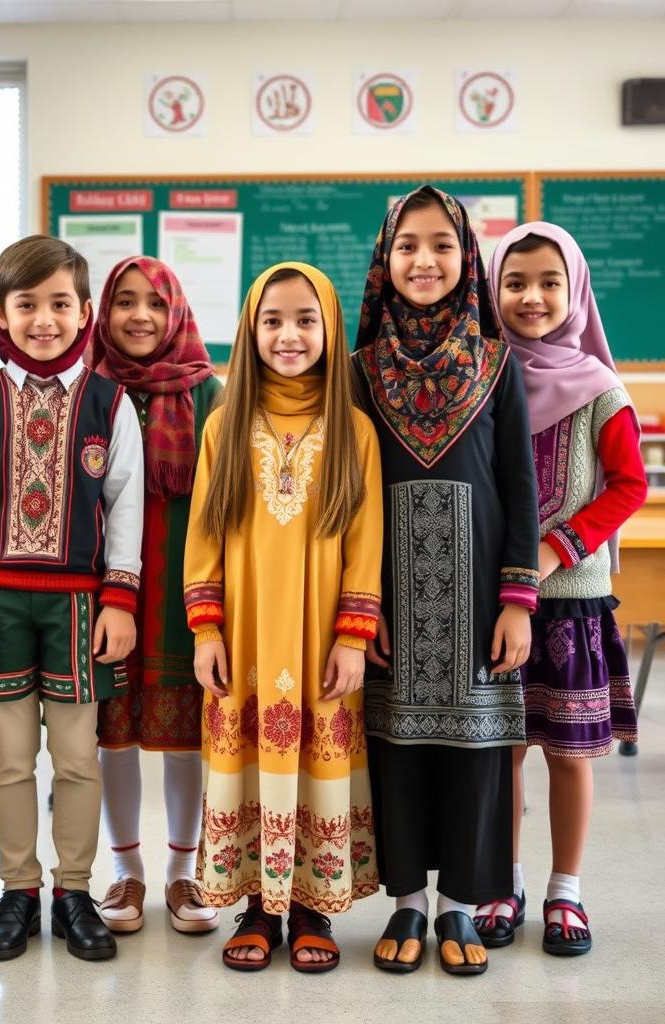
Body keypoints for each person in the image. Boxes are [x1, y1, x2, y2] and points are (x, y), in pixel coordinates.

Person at [352, 187, 539, 976]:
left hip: (476, 595)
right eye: (407, 246)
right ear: (383, 260)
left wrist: (518, 599)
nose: (424, 260)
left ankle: (460, 901)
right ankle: (406, 902)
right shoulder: (359, 369)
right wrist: (356, 608)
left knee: (475, 747)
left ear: (469, 259)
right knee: (395, 741)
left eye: (442, 245)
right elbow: (348, 495)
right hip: (389, 591)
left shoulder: (498, 363)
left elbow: (522, 486)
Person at [0, 235, 144, 962]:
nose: (45, 319)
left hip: (81, 608)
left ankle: (75, 891)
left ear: (85, 312)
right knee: (10, 756)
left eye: (60, 303)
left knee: (79, 757)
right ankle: (18, 889)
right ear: (1, 314)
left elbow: (125, 506)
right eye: (27, 305)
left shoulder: (108, 402)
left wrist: (120, 598)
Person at [183, 262, 383, 972]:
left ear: (331, 329)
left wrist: (354, 637)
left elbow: (366, 544)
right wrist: (206, 627)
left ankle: (310, 908)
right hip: (245, 639)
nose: (289, 334)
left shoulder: (354, 430)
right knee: (246, 763)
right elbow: (203, 538)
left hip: (321, 636)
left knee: (312, 764)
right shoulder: (224, 426)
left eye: (306, 320)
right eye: (272, 321)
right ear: (249, 329)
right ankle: (258, 908)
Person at [472, 222, 646, 957]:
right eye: (514, 283)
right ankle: (503, 882)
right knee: (503, 748)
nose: (532, 297)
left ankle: (565, 892)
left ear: (574, 289)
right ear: (491, 290)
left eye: (549, 283)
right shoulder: (480, 376)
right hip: (494, 600)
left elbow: (628, 485)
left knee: (570, 753)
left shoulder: (600, 387)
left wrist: (556, 547)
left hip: (571, 598)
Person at [89, 256, 221, 935]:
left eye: (155, 303)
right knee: (112, 736)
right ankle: (126, 874)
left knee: (184, 737)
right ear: (103, 313)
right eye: (124, 302)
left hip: (181, 592)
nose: (139, 315)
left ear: (177, 314)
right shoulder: (87, 388)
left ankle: (180, 872)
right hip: (104, 591)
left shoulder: (211, 394)